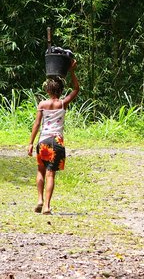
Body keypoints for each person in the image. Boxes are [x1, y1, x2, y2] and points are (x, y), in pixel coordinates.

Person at [27, 60, 79, 215]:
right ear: (61, 91)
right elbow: (76, 89)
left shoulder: (42, 104)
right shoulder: (63, 104)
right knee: (51, 174)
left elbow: (36, 125)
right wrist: (71, 71)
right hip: (56, 142)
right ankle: (47, 206)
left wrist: (30, 143)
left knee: (40, 171)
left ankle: (39, 200)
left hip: (43, 141)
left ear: (48, 90)